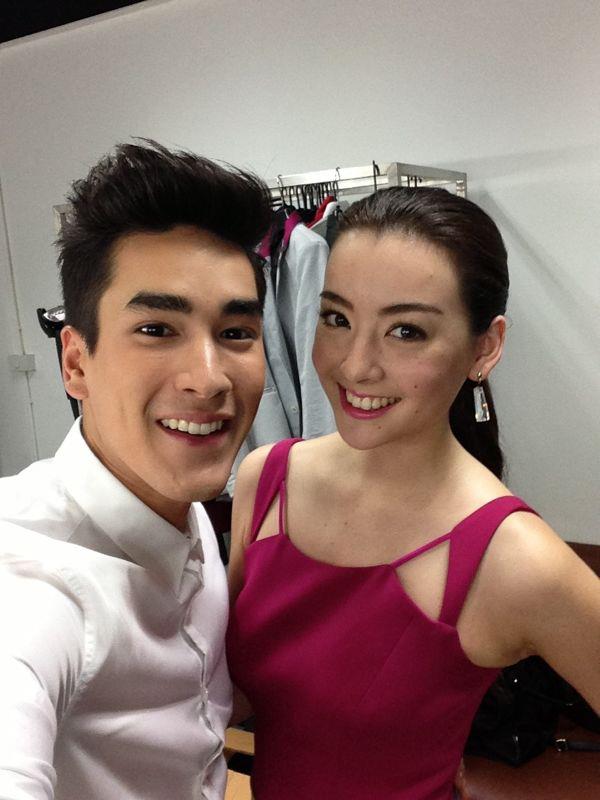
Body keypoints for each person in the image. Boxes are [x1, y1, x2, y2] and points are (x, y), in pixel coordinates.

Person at [226, 187, 600, 799]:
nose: (355, 365)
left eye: (405, 331)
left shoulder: (514, 558)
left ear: (486, 347)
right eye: (337, 319)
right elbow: (239, 692)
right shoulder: (267, 481)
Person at [0, 140, 272, 800]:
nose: (210, 379)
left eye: (235, 333)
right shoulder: (33, 586)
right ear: (75, 363)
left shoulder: (184, 509)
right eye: (156, 329)